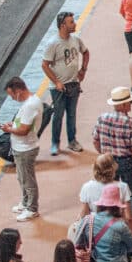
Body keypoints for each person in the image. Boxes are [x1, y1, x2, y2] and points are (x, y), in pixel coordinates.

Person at [41, 12, 89, 156]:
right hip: (59, 88)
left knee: (72, 114)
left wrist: (83, 70)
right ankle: (55, 143)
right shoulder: (53, 44)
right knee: (58, 115)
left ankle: (72, 140)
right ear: (62, 25)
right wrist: (56, 82)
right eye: (71, 22)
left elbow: (86, 53)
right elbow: (45, 65)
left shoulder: (76, 39)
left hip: (73, 84)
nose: (74, 24)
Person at [93, 87, 132, 196]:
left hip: (108, 160)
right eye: (130, 102)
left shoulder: (102, 118)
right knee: (130, 195)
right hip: (127, 162)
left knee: (109, 192)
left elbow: (95, 141)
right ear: (123, 105)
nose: (131, 104)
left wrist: (103, 154)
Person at [0, 77, 42, 221]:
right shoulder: (30, 103)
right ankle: (25, 203)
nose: (12, 98)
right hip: (21, 147)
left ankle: (32, 208)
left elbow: (24, 130)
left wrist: (9, 129)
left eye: (12, 95)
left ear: (18, 91)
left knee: (28, 180)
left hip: (26, 148)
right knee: (22, 178)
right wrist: (14, 124)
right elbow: (23, 124)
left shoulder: (30, 105)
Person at [78, 155, 132, 238]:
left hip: (95, 231)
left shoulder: (86, 187)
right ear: (113, 168)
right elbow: (129, 217)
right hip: (117, 231)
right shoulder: (123, 187)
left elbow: (84, 214)